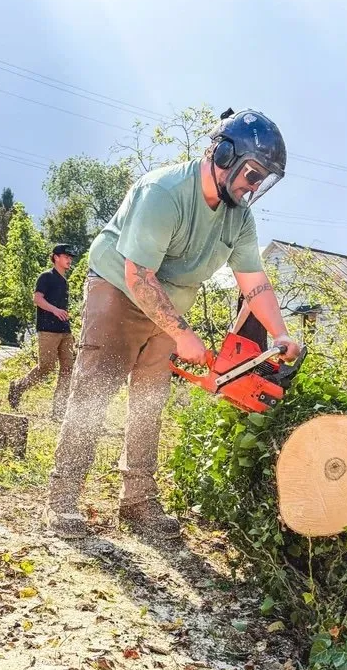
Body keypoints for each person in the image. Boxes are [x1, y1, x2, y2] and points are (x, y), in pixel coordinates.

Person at [45, 109, 301, 538]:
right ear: (224, 155)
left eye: (261, 180)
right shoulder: (163, 192)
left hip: (170, 306)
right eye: (252, 174)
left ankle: (138, 501)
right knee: (94, 391)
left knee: (150, 401)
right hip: (119, 290)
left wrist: (280, 333)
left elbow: (255, 283)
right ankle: (64, 496)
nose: (252, 187)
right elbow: (138, 276)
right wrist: (182, 334)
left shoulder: (239, 217)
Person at [8, 244, 76, 418]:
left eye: (70, 257)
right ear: (55, 257)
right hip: (48, 330)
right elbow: (37, 299)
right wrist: (55, 310)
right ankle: (18, 387)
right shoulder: (46, 277)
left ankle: (59, 410)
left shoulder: (64, 281)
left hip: (65, 331)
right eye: (65, 256)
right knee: (46, 367)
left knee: (68, 369)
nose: (69, 260)